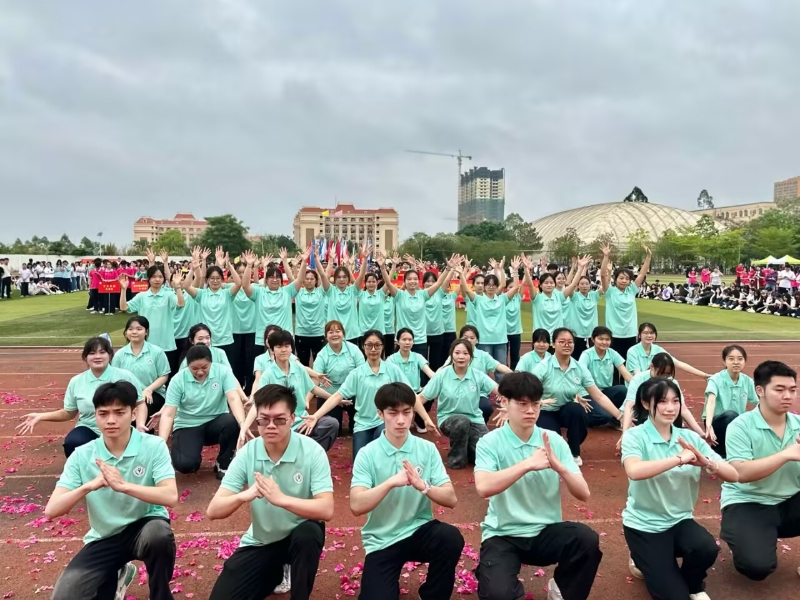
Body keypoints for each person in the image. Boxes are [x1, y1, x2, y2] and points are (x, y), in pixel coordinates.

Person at [474, 372, 601, 600]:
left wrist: (561, 468)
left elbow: (584, 494)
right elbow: (483, 487)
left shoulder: (554, 441)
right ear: (504, 402)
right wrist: (527, 464)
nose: (531, 411)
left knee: (586, 540)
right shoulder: (489, 442)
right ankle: (491, 574)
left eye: (535, 404)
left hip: (545, 532)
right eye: (522, 404)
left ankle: (561, 589)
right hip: (504, 534)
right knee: (498, 594)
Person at [47, 381, 178, 600]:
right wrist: (89, 485)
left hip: (144, 527)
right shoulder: (81, 455)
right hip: (104, 536)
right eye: (103, 413)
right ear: (95, 416)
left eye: (119, 412)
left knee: (159, 535)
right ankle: (119, 574)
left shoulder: (154, 446)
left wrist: (124, 486)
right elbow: (52, 510)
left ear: (133, 413)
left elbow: (171, 496)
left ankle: (160, 596)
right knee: (65, 596)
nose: (110, 420)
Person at [207, 384, 334, 600]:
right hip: (263, 541)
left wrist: (282, 499)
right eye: (264, 419)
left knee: (308, 535)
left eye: (279, 419)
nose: (271, 426)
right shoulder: (248, 452)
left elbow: (326, 509)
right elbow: (213, 510)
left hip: (299, 536)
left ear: (292, 418)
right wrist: (244, 496)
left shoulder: (312, 451)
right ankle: (276, 572)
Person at [621, 378, 738, 600]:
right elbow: (634, 470)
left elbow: (734, 475)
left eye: (675, 401)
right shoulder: (635, 436)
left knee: (706, 548)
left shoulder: (690, 438)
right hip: (644, 526)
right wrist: (679, 459)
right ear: (645, 403)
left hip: (679, 521)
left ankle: (693, 585)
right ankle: (640, 555)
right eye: (662, 401)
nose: (670, 408)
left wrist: (707, 462)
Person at [351, 382, 464, 600]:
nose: (401, 420)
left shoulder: (427, 449)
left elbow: (451, 499)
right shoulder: (367, 454)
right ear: (380, 414)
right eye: (393, 413)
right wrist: (390, 483)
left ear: (414, 412)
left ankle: (431, 595)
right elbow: (356, 505)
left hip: (418, 530)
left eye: (407, 412)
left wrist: (424, 486)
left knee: (450, 538)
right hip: (382, 540)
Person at [720, 360, 800, 582]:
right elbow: (741, 473)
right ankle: (744, 534)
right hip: (749, 502)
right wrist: (786, 454)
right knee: (756, 567)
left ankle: (764, 532)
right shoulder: (740, 426)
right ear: (760, 391)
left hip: (791, 500)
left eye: (792, 390)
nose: (788, 395)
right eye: (779, 389)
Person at [300, 329, 430, 460]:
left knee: (382, 449)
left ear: (383, 346)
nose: (373, 349)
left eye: (377, 345)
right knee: (359, 461)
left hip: (384, 422)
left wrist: (426, 419)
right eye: (369, 345)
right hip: (362, 424)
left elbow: (411, 394)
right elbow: (337, 396)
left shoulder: (392, 370)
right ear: (363, 346)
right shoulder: (357, 373)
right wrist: (316, 416)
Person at [17, 336, 146, 456]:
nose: (97, 356)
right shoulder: (76, 381)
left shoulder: (125, 376)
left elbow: (140, 403)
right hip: (90, 428)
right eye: (92, 353)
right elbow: (69, 413)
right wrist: (41, 416)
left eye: (102, 352)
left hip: (121, 427)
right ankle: (82, 471)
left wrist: (140, 424)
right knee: (73, 442)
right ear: (85, 357)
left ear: (110, 355)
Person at [522, 328, 626, 465]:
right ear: (553, 344)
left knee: (577, 410)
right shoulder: (543, 367)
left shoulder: (579, 368)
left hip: (566, 409)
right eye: (562, 342)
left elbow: (599, 396)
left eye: (570, 342)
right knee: (552, 445)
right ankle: (556, 442)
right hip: (547, 410)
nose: (567, 345)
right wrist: (539, 402)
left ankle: (574, 453)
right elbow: (527, 391)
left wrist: (620, 416)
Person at [239, 330, 339, 452]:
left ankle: (307, 455)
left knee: (331, 424)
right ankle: (297, 452)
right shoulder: (268, 375)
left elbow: (313, 388)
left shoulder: (299, 369)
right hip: (281, 425)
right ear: (272, 350)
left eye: (287, 346)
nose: (283, 350)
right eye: (279, 346)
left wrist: (336, 399)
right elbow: (257, 404)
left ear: (292, 348)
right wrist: (244, 429)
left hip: (302, 421)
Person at [158, 345, 246, 478]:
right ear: (187, 365)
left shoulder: (223, 372)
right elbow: (168, 414)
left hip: (216, 423)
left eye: (205, 367)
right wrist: (161, 443)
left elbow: (233, 398)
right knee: (186, 465)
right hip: (188, 425)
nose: (200, 372)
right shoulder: (178, 380)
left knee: (231, 422)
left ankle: (223, 463)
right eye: (194, 369)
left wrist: (243, 424)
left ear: (211, 362)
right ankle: (186, 451)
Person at [417, 339, 498, 469]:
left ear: (470, 356)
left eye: (465, 353)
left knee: (489, 453)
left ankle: (470, 451)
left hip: (475, 420)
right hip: (448, 420)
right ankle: (456, 460)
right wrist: (426, 419)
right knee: (462, 422)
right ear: (451, 355)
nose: (461, 356)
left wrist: (510, 401)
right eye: (457, 353)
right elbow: (419, 399)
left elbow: (499, 390)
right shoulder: (442, 375)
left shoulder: (477, 375)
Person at [377, 252, 453, 356]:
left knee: (420, 365)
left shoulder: (423, 294)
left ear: (418, 281)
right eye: (409, 279)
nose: (412, 281)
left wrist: (448, 268)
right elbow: (388, 283)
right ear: (404, 282)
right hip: (403, 340)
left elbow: (439, 283)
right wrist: (382, 267)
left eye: (415, 279)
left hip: (420, 340)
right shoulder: (400, 295)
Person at [181, 246, 246, 365]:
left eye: (218, 278)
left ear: (222, 279)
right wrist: (193, 269)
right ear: (207, 280)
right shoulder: (201, 294)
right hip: (206, 341)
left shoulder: (227, 294)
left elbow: (238, 283)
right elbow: (186, 286)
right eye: (212, 278)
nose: (215, 281)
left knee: (226, 370)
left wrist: (229, 265)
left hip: (225, 340)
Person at [457, 256, 521, 365]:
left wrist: (515, 271)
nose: (491, 287)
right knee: (483, 368)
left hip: (500, 340)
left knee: (500, 369)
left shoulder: (502, 299)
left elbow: (515, 288)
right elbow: (466, 290)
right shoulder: (478, 300)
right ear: (485, 286)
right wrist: (462, 274)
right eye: (488, 285)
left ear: (497, 286)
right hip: (484, 341)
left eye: (493, 285)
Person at [119, 265, 185, 368]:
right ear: (148, 278)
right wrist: (123, 290)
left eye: (160, 277)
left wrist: (178, 287)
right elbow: (124, 307)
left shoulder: (169, 295)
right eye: (154, 276)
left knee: (168, 375)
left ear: (164, 279)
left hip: (166, 345)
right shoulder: (142, 296)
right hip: (146, 345)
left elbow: (180, 304)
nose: (157, 279)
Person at [307, 320, 364, 434]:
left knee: (357, 429)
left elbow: (362, 373)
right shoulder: (322, 355)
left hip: (352, 393)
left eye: (338, 331)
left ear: (343, 334)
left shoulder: (353, 349)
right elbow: (316, 379)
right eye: (331, 332)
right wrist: (307, 399)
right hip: (329, 395)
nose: (335, 334)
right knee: (332, 429)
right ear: (326, 336)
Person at [111, 316, 171, 424]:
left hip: (153, 393)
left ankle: (145, 431)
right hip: (127, 394)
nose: (134, 332)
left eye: (139, 329)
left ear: (146, 332)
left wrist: (149, 390)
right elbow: (115, 378)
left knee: (146, 406)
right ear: (126, 332)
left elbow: (163, 376)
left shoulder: (157, 352)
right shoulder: (120, 354)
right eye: (130, 329)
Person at [703, 345, 759, 458]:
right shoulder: (716, 379)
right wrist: (708, 425)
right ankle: (719, 453)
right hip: (716, 422)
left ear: (745, 362)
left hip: (737, 422)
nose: (736, 362)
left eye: (740, 359)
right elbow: (711, 402)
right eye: (731, 359)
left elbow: (760, 402)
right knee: (730, 415)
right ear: (724, 362)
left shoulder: (747, 381)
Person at [599, 243, 652, 360]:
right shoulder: (610, 292)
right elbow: (603, 275)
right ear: (615, 279)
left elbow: (642, 274)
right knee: (614, 364)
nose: (624, 281)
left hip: (630, 333)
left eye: (627, 279)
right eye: (621, 278)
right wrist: (606, 256)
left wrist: (648, 257)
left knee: (630, 363)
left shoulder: (631, 290)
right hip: (614, 334)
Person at [316, 245, 369, 345]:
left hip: (351, 334)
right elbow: (323, 276)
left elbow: (361, 276)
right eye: (339, 277)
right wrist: (316, 259)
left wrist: (365, 259)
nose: (342, 279)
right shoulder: (331, 290)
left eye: (344, 277)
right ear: (334, 279)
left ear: (348, 279)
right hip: (334, 335)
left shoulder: (353, 290)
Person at [387, 328, 435, 433]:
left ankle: (418, 420)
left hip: (417, 393)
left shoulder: (417, 357)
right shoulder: (391, 359)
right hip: (399, 394)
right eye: (404, 339)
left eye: (410, 339)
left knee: (430, 394)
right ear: (398, 341)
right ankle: (404, 417)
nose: (407, 342)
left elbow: (431, 374)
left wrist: (439, 380)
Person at [626, 323, 710, 379]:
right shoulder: (632, 351)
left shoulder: (657, 349)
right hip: (637, 388)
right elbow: (638, 376)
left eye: (652, 333)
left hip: (653, 385)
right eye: (645, 333)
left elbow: (678, 363)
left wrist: (704, 375)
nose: (649, 335)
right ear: (639, 335)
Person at [578, 326, 632, 409]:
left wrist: (640, 387)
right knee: (602, 413)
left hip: (606, 392)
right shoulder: (586, 355)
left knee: (622, 390)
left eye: (607, 339)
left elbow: (626, 375)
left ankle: (615, 414)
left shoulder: (612, 353)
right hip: (590, 392)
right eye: (601, 339)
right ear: (593, 339)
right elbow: (579, 375)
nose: (604, 342)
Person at [295, 262, 327, 366]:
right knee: (303, 364)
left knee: (319, 364)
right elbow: (293, 278)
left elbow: (324, 276)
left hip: (318, 333)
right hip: (301, 333)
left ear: (316, 281)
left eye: (312, 279)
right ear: (303, 280)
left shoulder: (321, 292)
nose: (309, 281)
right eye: (307, 279)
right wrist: (298, 265)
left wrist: (322, 261)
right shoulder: (298, 292)